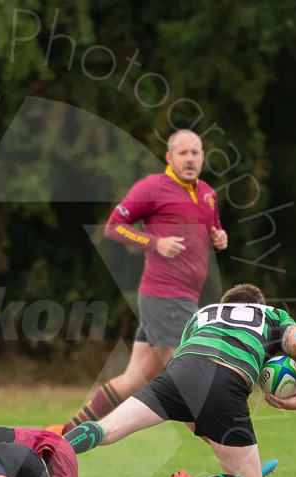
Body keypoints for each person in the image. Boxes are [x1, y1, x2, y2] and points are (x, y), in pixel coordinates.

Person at [62, 283, 296, 477]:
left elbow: (191, 404)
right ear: (258, 305)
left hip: (178, 374)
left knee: (106, 429)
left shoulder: (202, 315)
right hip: (226, 380)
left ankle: (46, 451)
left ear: (225, 305)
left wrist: (235, 455)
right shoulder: (272, 316)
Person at [48, 129, 228, 435]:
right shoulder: (153, 188)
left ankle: (64, 433)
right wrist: (155, 242)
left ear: (202, 158)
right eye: (183, 153)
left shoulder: (209, 194)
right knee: (191, 377)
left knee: (133, 380)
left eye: (195, 153)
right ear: (170, 158)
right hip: (165, 296)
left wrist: (220, 238)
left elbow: (214, 231)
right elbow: (114, 227)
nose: (190, 159)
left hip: (183, 298)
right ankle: (234, 455)